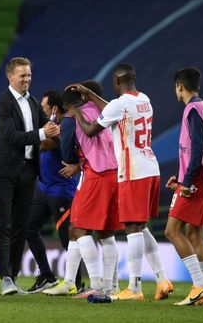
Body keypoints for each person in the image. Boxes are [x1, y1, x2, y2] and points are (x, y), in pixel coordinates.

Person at [67, 63, 172, 301]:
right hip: (150, 166)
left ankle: (134, 288)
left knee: (133, 228)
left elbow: (92, 130)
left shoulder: (118, 104)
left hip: (132, 170)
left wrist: (78, 113)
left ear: (116, 82)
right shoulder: (144, 99)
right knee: (142, 227)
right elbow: (114, 110)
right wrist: (92, 95)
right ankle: (161, 278)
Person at [0, 57, 60, 295]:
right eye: (22, 76)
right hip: (3, 171)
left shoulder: (33, 102)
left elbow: (46, 130)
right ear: (10, 77)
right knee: (2, 225)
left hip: (28, 171)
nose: (27, 79)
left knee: (21, 226)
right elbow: (11, 136)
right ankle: (5, 278)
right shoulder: (1, 103)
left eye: (29, 75)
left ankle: (14, 275)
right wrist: (42, 132)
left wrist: (57, 132)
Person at [44, 82, 122, 297]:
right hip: (115, 173)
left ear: (65, 105)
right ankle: (106, 286)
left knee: (80, 229)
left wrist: (73, 159)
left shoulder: (71, 119)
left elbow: (67, 155)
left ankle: (96, 286)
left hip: (96, 175)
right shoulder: (99, 109)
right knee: (103, 232)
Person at [164, 67, 203, 306]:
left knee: (171, 230)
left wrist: (187, 181)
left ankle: (200, 286)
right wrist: (181, 178)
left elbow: (198, 148)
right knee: (194, 233)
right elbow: (195, 148)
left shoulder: (192, 110)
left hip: (198, 180)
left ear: (180, 85)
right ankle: (202, 296)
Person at [24, 90, 80, 293]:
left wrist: (30, 134)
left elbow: (43, 145)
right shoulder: (51, 126)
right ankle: (46, 275)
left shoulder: (63, 127)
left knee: (68, 239)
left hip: (61, 191)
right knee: (29, 228)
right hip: (44, 188)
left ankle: (77, 283)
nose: (42, 111)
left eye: (44, 108)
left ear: (54, 109)